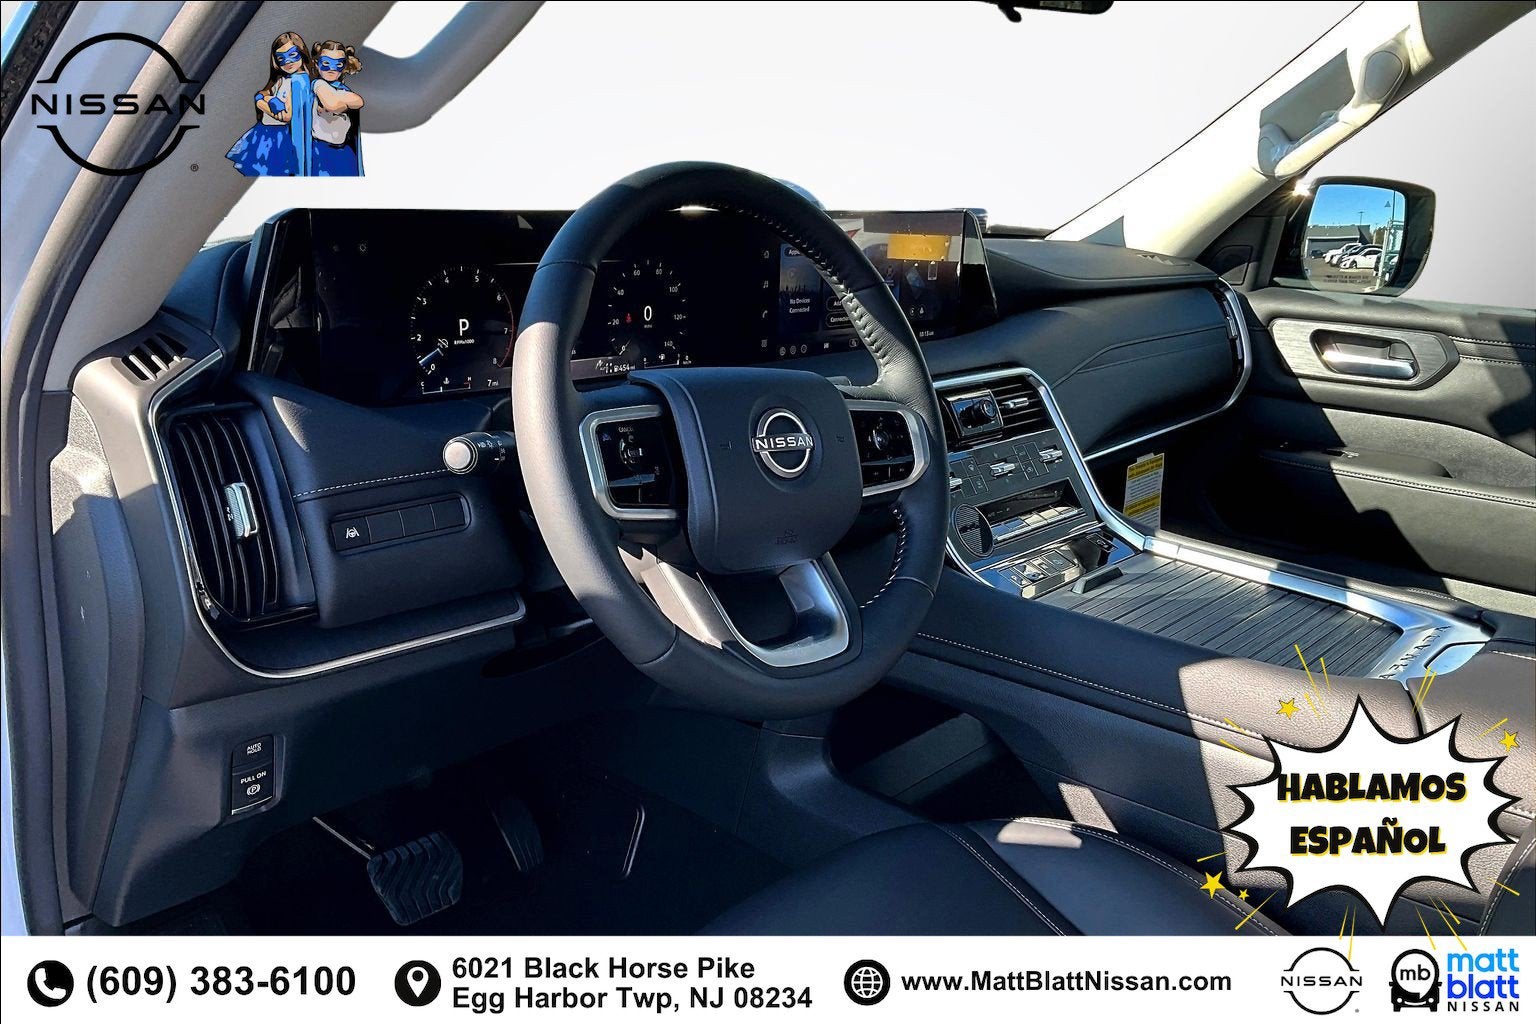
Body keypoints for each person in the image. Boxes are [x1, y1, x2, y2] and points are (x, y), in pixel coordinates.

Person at [226, 32, 315, 176]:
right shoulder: (284, 79)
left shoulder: (298, 81)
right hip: (267, 134)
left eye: (292, 55)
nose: (287, 62)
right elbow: (266, 93)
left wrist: (260, 102)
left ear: (301, 52)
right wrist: (268, 99)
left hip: (279, 138)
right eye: (281, 58)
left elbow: (286, 115)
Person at [310, 41, 365, 176]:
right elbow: (333, 105)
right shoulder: (318, 84)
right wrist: (343, 102)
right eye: (326, 63)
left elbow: (358, 101)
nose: (331, 69)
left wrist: (340, 99)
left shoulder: (341, 87)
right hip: (320, 149)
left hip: (342, 148)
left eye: (338, 64)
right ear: (317, 64)